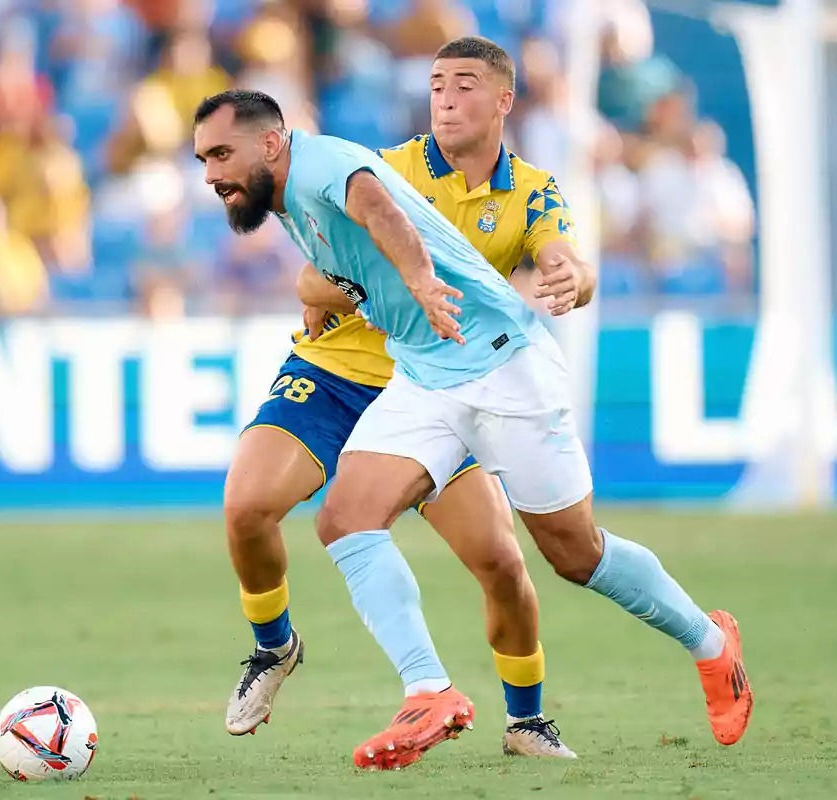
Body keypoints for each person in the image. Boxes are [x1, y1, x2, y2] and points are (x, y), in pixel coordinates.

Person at [193, 77, 751, 771]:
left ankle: (709, 643)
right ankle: (428, 690)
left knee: (573, 554)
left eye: (221, 155)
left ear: (271, 143)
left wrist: (426, 279)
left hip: (501, 366)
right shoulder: (317, 187)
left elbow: (377, 207)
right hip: (423, 373)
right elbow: (342, 257)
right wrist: (345, 294)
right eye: (204, 161)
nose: (212, 174)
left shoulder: (326, 162)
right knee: (343, 518)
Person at [212, 41, 584, 761]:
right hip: (337, 370)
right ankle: (273, 647)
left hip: (438, 386)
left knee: (501, 562)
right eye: (436, 85)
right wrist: (352, 283)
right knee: (246, 505)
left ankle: (527, 721)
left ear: (502, 102)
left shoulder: (532, 190)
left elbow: (562, 253)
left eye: (462, 87)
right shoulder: (379, 168)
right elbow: (313, 278)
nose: (445, 101)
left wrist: (573, 276)